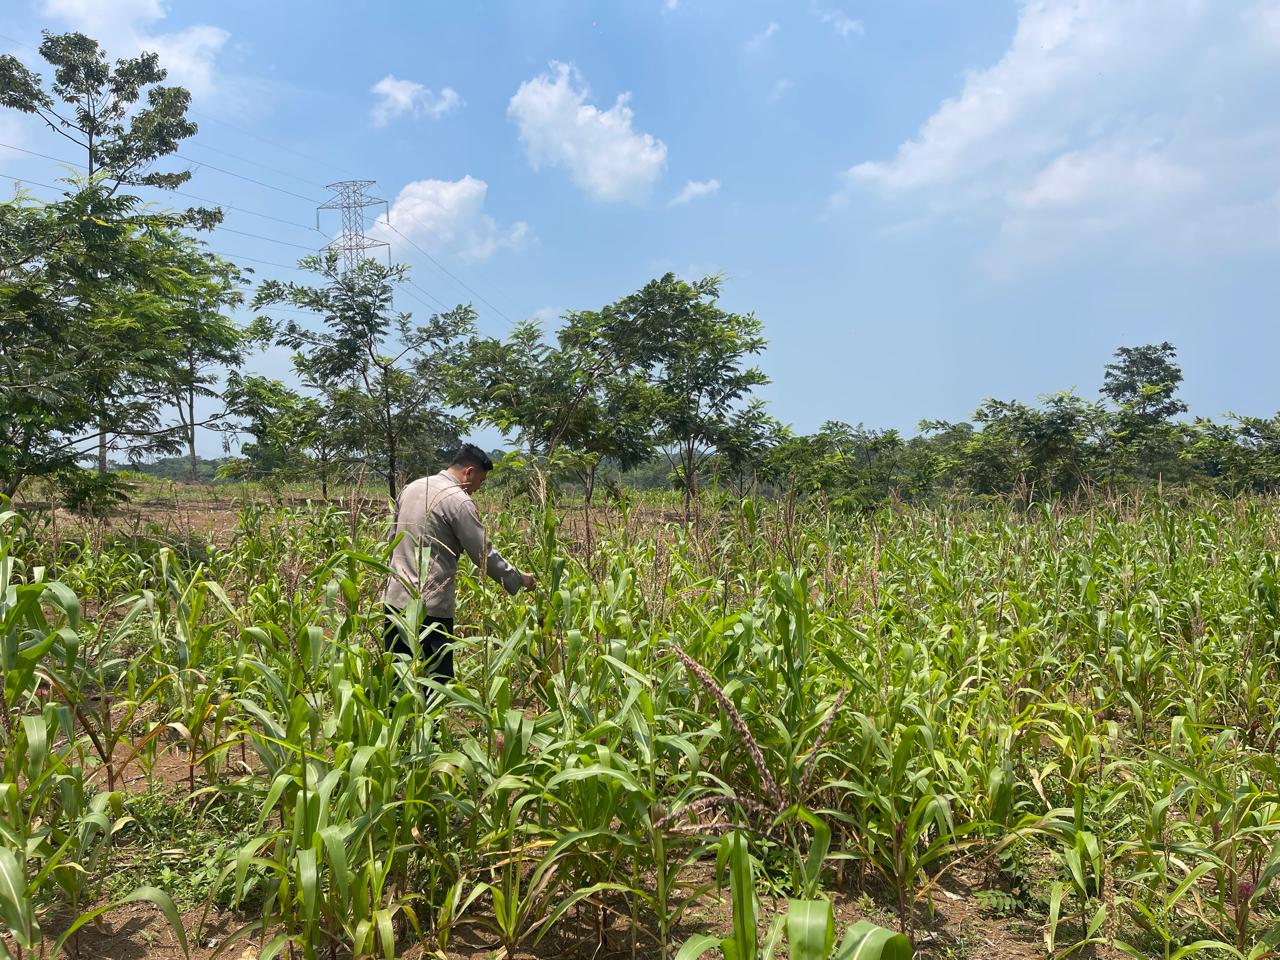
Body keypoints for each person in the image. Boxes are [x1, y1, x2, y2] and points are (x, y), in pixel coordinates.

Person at [382, 444, 536, 685]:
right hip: (430, 607)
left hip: (395, 600)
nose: (478, 489)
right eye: (480, 481)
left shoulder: (411, 488)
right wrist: (518, 579)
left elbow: (392, 540)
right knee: (436, 682)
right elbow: (483, 555)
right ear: (469, 472)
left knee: (397, 679)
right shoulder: (458, 501)